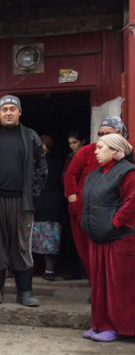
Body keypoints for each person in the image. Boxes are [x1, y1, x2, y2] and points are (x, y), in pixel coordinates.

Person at [0, 95, 47, 307]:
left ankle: (24, 292)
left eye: (12, 109)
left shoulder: (31, 136)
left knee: (22, 246)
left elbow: (41, 169)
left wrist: (32, 193)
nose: (8, 112)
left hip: (22, 202)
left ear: (19, 112)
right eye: (4, 109)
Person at [80, 134, 135, 342]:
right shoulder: (95, 174)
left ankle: (118, 327)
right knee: (100, 285)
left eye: (101, 147)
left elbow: (131, 203)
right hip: (98, 238)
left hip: (119, 239)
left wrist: (114, 223)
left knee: (118, 286)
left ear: (114, 151)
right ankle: (100, 324)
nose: (95, 151)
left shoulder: (127, 173)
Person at [64, 117, 127, 279]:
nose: (102, 137)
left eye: (108, 133)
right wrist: (74, 202)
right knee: (88, 252)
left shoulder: (127, 155)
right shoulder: (88, 151)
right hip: (86, 212)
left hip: (115, 214)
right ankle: (96, 285)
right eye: (100, 133)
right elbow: (70, 175)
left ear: (119, 134)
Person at [32, 135, 63, 281]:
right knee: (48, 238)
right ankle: (47, 270)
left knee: (46, 238)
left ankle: (44, 270)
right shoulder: (33, 163)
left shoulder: (40, 163)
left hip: (47, 203)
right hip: (44, 204)